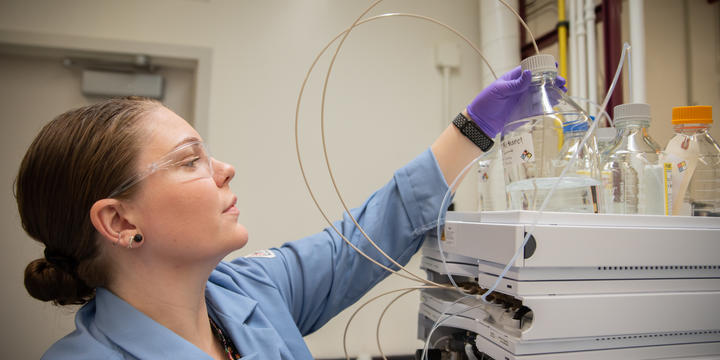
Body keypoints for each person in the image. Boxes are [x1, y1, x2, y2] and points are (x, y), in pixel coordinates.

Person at [16, 66, 562, 359]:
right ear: (119, 222)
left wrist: (476, 125)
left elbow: (368, 233)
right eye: (190, 161)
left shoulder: (249, 290)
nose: (225, 169)